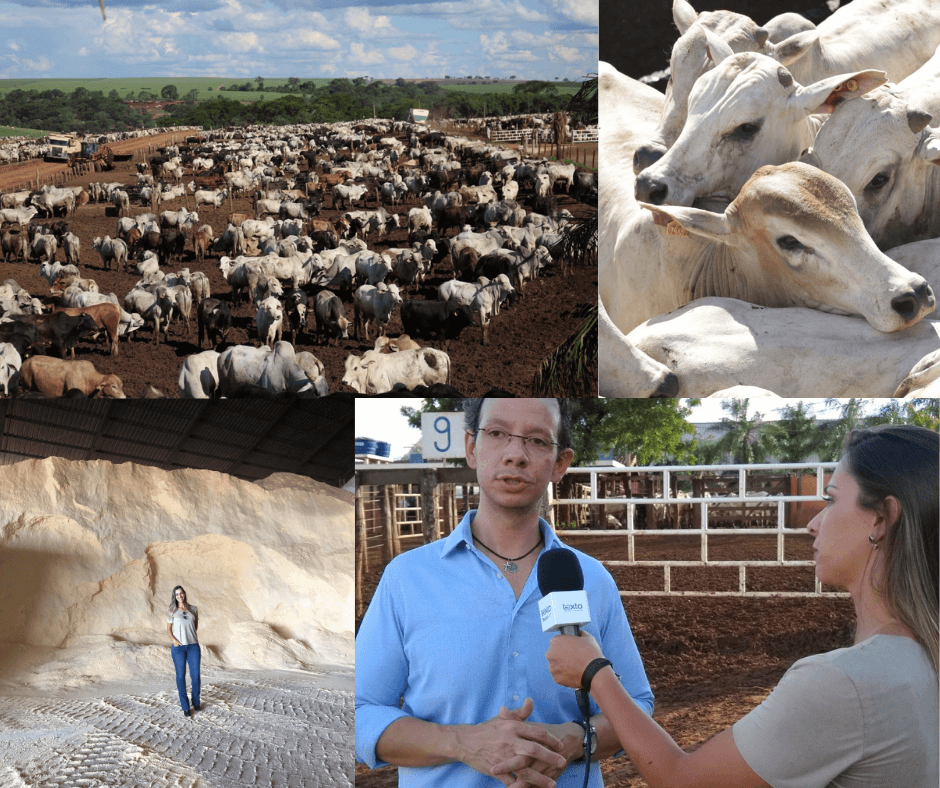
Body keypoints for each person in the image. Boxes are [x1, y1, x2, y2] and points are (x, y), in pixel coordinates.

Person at [538, 424, 938, 788]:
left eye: (832, 500)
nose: (813, 523)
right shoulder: (922, 659)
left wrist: (596, 674)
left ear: (881, 520)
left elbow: (682, 781)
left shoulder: (843, 684)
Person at [356, 398, 654, 788]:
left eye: (536, 440)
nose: (515, 454)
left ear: (560, 463)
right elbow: (359, 711)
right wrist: (462, 743)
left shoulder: (592, 580)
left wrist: (575, 740)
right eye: (497, 434)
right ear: (471, 448)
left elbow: (638, 706)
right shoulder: (406, 579)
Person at [166, 585, 201, 717]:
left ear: (184, 594)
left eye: (181, 593)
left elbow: (194, 627)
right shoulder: (171, 610)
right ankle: (185, 707)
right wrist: (175, 640)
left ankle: (196, 703)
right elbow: (168, 630)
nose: (179, 596)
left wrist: (189, 637)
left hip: (193, 647)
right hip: (178, 648)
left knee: (195, 676)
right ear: (174, 596)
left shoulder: (193, 609)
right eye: (176, 594)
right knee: (180, 677)